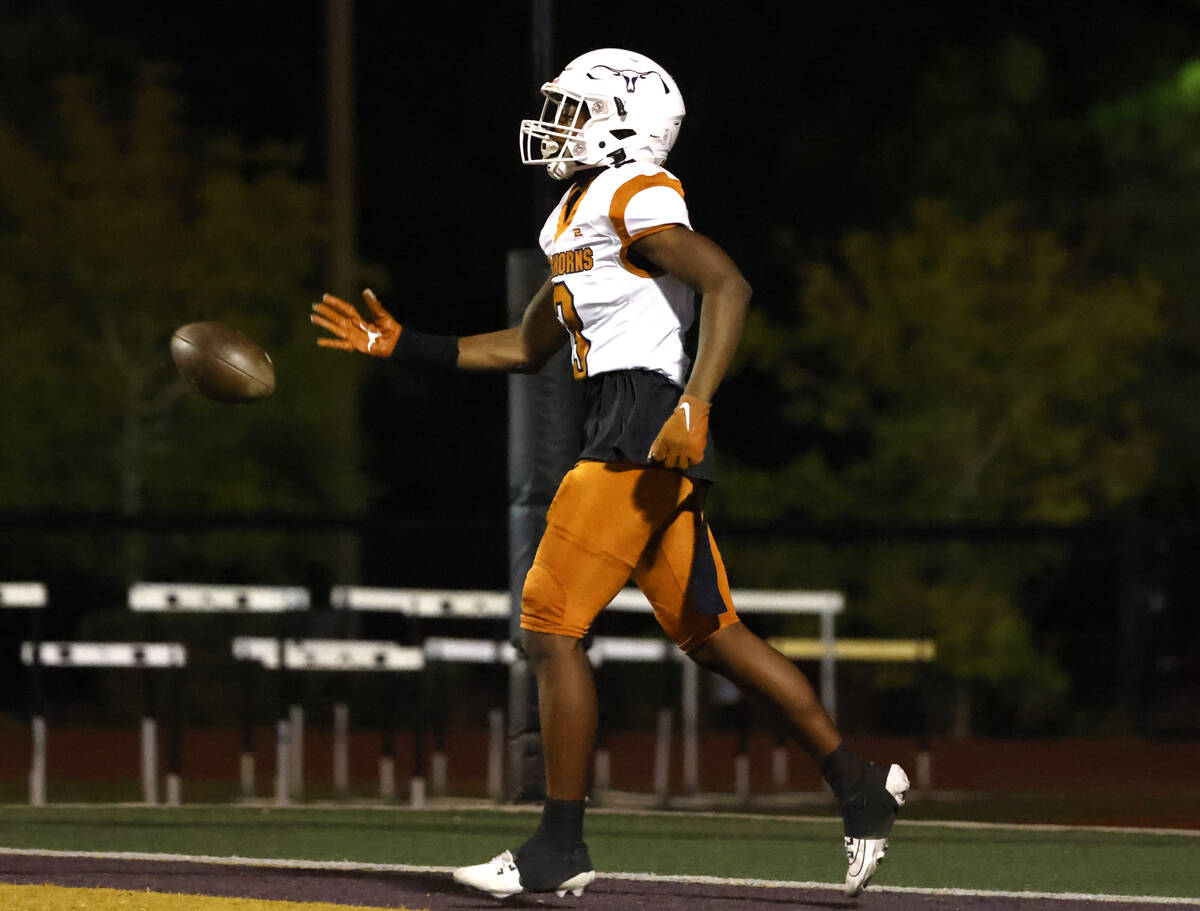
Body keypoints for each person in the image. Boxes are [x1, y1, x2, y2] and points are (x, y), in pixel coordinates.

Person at [310, 47, 907, 900]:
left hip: (645, 423)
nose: (555, 124)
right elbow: (526, 346)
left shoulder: (638, 193)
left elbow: (728, 286)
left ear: (624, 124)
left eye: (572, 109)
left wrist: (694, 405)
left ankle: (559, 844)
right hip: (637, 426)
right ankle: (859, 782)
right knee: (714, 634)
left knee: (550, 626)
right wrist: (407, 344)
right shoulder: (574, 215)